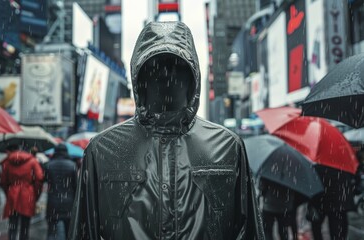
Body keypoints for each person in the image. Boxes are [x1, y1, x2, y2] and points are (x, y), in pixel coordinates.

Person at [69, 21, 264, 240]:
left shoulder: (228, 147)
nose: (165, 76)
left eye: (176, 66)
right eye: (156, 67)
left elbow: (248, 231)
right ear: (140, 77)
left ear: (192, 77)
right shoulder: (102, 151)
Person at [0, 144, 44, 240]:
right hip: (27, 194)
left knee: (12, 225)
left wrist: (8, 192)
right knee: (25, 225)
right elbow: (39, 178)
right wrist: (35, 194)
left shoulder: (7, 162)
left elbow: (3, 181)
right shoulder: (32, 161)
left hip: (12, 194)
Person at [307, 165, 355, 240]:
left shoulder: (317, 168)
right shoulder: (343, 168)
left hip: (322, 201)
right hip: (337, 202)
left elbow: (313, 186)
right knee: (337, 229)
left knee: (317, 225)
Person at [43, 144, 77, 240]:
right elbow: (76, 185)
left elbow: (45, 180)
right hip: (68, 202)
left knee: (51, 231)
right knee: (69, 231)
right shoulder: (72, 165)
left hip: (53, 202)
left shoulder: (49, 165)